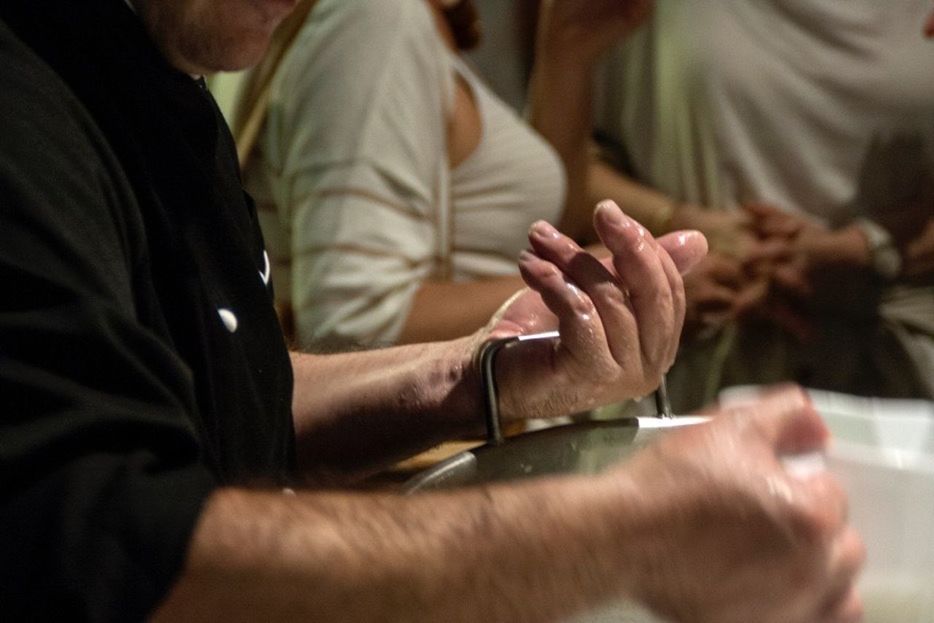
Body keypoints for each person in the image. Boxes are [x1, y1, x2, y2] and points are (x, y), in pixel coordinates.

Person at [0, 1, 863, 621]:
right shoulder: (26, 95)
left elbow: (224, 389)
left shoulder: (167, 79)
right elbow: (97, 542)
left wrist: (491, 369)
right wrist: (623, 533)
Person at [233, 0, 649, 348]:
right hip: (445, 439)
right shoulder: (379, 19)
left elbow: (531, 234)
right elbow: (352, 323)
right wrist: (592, 283)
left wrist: (569, 51)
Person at [590, 0, 934, 412]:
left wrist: (865, 250)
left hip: (901, 374)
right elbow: (560, 170)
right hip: (682, 366)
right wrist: (681, 235)